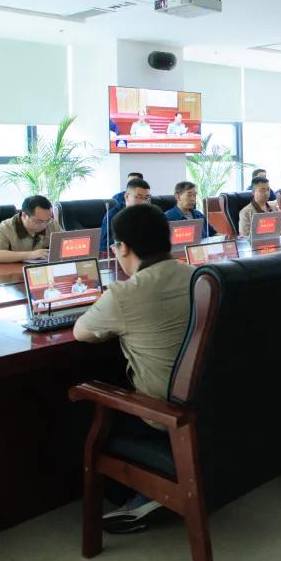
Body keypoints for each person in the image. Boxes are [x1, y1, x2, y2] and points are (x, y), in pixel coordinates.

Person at [74, 203, 197, 527]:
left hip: (166, 414)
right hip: (206, 397)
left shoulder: (125, 294)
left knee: (81, 401)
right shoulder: (197, 275)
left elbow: (81, 332)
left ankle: (145, 493)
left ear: (123, 247)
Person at [0, 195, 62, 263]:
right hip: (14, 271)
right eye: (39, 221)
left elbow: (65, 244)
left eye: (47, 220)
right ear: (24, 215)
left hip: (44, 270)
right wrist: (31, 255)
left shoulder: (52, 224)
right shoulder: (4, 228)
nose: (44, 225)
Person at [102, 178, 151, 247]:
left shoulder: (149, 214)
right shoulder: (113, 216)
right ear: (127, 196)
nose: (144, 202)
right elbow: (105, 248)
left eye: (146, 198)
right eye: (138, 197)